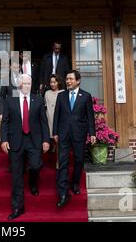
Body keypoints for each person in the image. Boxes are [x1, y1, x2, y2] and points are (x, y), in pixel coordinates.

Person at [0, 74, 50, 220]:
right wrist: (4, 140)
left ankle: (33, 181)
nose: (27, 86)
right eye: (24, 83)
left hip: (34, 140)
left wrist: (46, 140)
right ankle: (17, 207)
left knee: (35, 165)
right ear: (19, 85)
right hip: (16, 141)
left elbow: (43, 121)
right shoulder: (10, 101)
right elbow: (5, 122)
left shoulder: (38, 100)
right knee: (16, 175)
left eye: (29, 83)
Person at [52, 70, 96, 208]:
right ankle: (63, 193)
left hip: (79, 133)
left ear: (78, 80)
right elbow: (56, 115)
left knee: (79, 159)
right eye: (67, 79)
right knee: (63, 161)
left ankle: (75, 183)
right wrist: (55, 132)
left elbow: (90, 116)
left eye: (71, 79)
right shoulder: (61, 96)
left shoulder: (86, 96)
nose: (68, 81)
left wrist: (92, 133)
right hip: (63, 133)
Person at [44, 74, 65, 169]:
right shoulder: (47, 93)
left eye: (54, 82)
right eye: (51, 82)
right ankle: (53, 147)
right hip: (49, 118)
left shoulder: (63, 92)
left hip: (59, 119)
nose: (52, 84)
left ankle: (58, 161)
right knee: (50, 137)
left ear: (58, 82)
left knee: (58, 140)